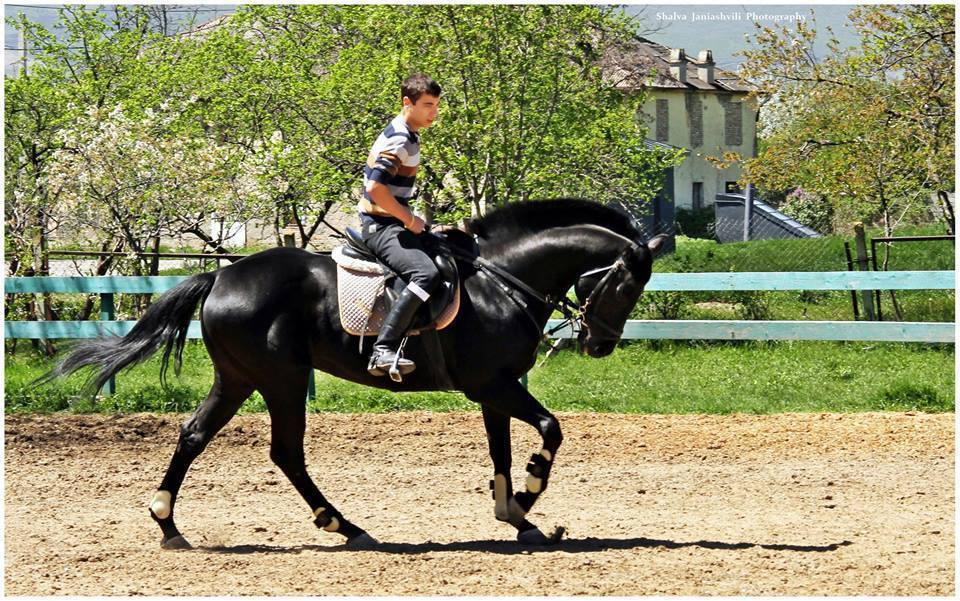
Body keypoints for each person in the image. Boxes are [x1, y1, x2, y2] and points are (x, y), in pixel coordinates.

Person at [358, 74, 442, 379]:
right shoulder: (400, 138)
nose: (433, 112)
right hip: (380, 226)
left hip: (389, 221)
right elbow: (376, 190)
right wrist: (409, 219)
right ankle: (384, 349)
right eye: (427, 105)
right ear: (408, 103)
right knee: (426, 273)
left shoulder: (407, 132)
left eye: (436, 105)